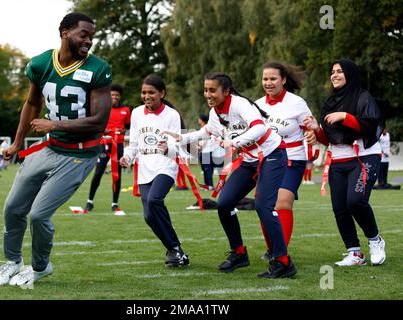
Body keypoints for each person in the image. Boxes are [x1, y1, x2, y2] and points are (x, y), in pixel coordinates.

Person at [0, 12, 113, 287]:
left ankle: (41, 267)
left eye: (92, 36)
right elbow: (31, 104)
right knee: (12, 208)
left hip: (80, 154)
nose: (89, 41)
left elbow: (99, 121)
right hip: (50, 147)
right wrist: (17, 141)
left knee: (39, 214)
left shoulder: (98, 69)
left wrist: (54, 123)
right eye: (84, 34)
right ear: (64, 32)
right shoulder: (41, 64)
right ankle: (13, 262)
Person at [163, 72, 297, 278]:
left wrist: (235, 142)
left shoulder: (240, 104)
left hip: (272, 154)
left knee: (263, 206)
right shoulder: (215, 112)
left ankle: (283, 261)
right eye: (206, 90)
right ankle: (239, 253)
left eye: (212, 90)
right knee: (224, 203)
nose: (208, 94)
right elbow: (206, 132)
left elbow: (260, 128)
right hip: (250, 159)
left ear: (226, 91)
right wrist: (180, 137)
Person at [304, 58, 386, 267]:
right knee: (339, 207)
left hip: (364, 157)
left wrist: (345, 116)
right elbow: (329, 137)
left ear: (350, 74)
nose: (334, 75)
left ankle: (375, 240)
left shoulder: (363, 97)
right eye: (332, 72)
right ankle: (355, 253)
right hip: (338, 161)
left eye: (340, 71)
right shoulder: (331, 102)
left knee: (355, 201)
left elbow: (371, 125)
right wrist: (316, 130)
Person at [120, 74, 189, 268]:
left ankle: (174, 248)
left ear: (162, 93)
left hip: (166, 164)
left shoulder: (172, 115)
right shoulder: (136, 113)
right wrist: (127, 156)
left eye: (151, 92)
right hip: (144, 167)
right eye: (144, 92)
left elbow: (178, 145)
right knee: (149, 215)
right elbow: (133, 143)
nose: (147, 96)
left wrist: (168, 148)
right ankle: (175, 250)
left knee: (154, 200)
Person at [254, 61, 314, 261]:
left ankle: (281, 254)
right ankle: (272, 248)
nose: (268, 83)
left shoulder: (297, 103)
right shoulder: (257, 105)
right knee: (264, 205)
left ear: (284, 80)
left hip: (293, 159)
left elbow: (311, 128)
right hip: (268, 160)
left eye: (273, 78)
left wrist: (314, 132)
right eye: (265, 79)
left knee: (283, 203)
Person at [85, 83, 131, 215]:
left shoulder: (126, 110)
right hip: (104, 144)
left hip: (119, 144)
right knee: (98, 172)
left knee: (117, 174)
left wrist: (123, 130)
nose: (115, 97)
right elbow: (96, 124)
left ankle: (115, 204)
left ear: (120, 96)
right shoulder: (103, 108)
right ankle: (90, 201)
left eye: (117, 95)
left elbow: (128, 126)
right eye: (112, 95)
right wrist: (103, 130)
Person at [197, 113, 224, 190]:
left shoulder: (206, 128)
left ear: (202, 120)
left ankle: (209, 185)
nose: (198, 120)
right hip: (206, 151)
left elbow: (204, 141)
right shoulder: (204, 128)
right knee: (206, 169)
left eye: (199, 119)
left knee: (207, 169)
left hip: (206, 152)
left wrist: (198, 147)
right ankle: (208, 185)